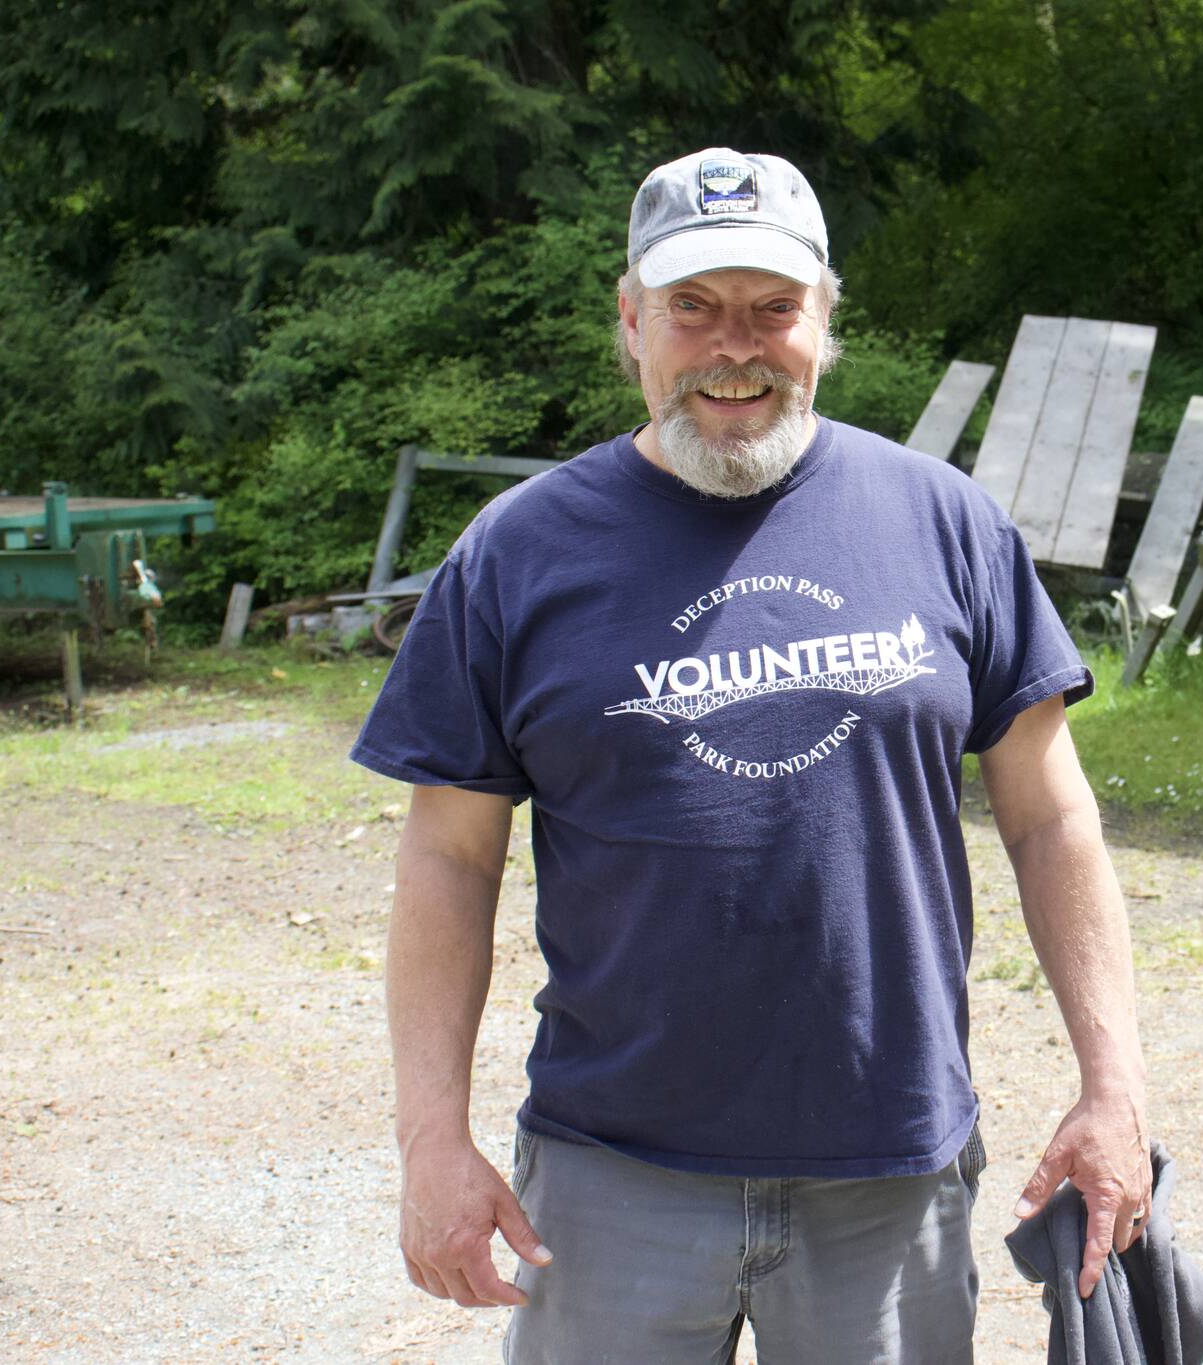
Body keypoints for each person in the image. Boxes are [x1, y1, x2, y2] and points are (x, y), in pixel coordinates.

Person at [350, 146, 1151, 1364]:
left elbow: (1050, 820)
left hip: (887, 1171)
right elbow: (450, 859)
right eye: (693, 308)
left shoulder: (945, 525)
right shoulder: (516, 554)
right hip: (611, 1175)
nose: (735, 345)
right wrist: (430, 1140)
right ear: (630, 322)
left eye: (773, 308)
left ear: (824, 319)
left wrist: (1114, 1088)